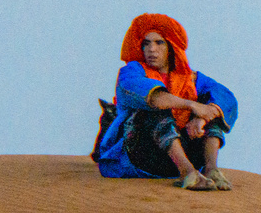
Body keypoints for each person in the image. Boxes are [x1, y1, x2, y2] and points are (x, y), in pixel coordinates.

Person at [91, 13, 240, 190]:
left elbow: (226, 97)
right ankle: (188, 174)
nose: (151, 49)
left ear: (171, 47)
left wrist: (202, 118)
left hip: (183, 153)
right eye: (146, 43)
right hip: (140, 156)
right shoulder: (131, 72)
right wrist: (192, 105)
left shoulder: (191, 79)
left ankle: (211, 170)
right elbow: (155, 98)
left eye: (159, 42)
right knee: (153, 109)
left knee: (213, 105)